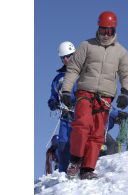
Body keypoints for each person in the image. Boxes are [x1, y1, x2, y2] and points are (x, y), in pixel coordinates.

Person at [61, 11, 128, 180]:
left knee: (97, 134)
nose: (106, 35)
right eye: (103, 30)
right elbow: (73, 69)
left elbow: (127, 75)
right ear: (98, 28)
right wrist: (66, 90)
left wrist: (125, 92)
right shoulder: (86, 45)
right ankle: (75, 160)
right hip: (85, 92)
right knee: (82, 125)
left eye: (109, 31)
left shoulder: (121, 52)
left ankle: (87, 168)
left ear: (114, 30)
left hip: (105, 97)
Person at [47, 41, 76, 172]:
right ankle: (64, 176)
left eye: (68, 56)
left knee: (81, 142)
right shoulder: (58, 78)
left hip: (81, 115)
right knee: (63, 145)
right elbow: (53, 95)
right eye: (62, 57)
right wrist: (52, 102)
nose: (65, 59)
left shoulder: (83, 74)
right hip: (66, 117)